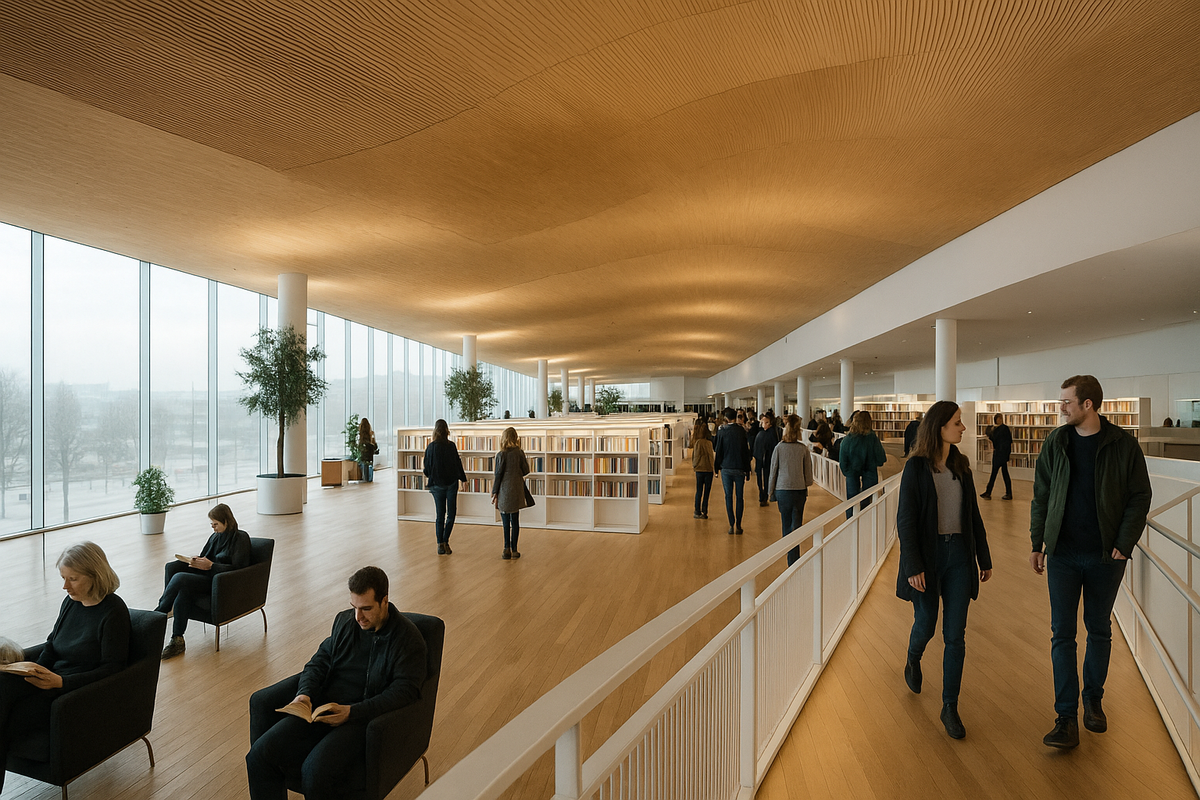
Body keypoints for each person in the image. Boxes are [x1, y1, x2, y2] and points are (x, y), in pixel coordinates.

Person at [1030, 375, 1151, 749]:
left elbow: (1139, 496)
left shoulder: (1123, 445)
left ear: (1088, 405)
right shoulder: (1056, 442)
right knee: (1062, 634)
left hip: (1106, 557)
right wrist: (1038, 541)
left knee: (1098, 629)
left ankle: (1092, 701)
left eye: (1066, 401)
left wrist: (1124, 542)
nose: (1060, 407)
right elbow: (1042, 494)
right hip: (1063, 554)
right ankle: (1065, 717)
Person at [245, 566, 426, 800]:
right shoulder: (345, 622)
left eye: (366, 609)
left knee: (314, 771)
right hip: (321, 709)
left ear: (385, 601)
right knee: (258, 756)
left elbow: (405, 692)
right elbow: (318, 662)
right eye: (354, 608)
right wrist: (305, 694)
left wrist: (351, 712)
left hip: (360, 719)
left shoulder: (407, 639)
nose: (358, 617)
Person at [896, 401, 992, 740]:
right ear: (940, 427)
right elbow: (905, 520)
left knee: (956, 635)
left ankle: (949, 706)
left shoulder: (961, 466)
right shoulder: (917, 468)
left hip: (959, 559)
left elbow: (973, 517)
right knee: (926, 624)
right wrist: (913, 565)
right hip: (928, 556)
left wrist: (984, 556)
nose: (963, 428)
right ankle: (913, 657)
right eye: (957, 422)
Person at [0, 542, 130, 794]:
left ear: (95, 575)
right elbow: (52, 643)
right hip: (47, 679)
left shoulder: (114, 611)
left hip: (68, 690)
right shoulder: (71, 602)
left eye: (73, 579)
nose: (65, 586)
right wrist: (33, 670)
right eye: (63, 578)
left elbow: (113, 669)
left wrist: (60, 682)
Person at [156, 503, 250, 659]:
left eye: (216, 524)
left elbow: (240, 569)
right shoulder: (214, 537)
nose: (213, 528)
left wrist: (212, 565)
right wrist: (196, 561)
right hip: (207, 578)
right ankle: (177, 639)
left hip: (221, 583)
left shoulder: (241, 538)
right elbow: (204, 557)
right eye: (211, 524)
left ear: (226, 521)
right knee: (172, 569)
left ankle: (161, 612)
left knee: (180, 578)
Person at [768, 415, 814, 566]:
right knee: (797, 524)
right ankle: (794, 559)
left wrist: (770, 491)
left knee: (786, 524)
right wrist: (803, 482)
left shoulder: (779, 448)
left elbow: (773, 470)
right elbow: (808, 476)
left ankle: (790, 558)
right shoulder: (803, 449)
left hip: (782, 490)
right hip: (799, 490)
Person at [422, 419, 467, 555]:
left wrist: (431, 475)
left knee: (439, 515)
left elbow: (426, 468)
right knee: (451, 514)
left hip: (436, 485)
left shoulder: (431, 447)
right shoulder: (451, 446)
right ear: (447, 430)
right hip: (451, 484)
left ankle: (440, 544)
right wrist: (463, 479)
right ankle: (445, 540)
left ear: (435, 430)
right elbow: (458, 464)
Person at [491, 426, 531, 559]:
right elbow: (526, 471)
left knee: (505, 522)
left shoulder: (501, 454)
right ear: (515, 438)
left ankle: (505, 549)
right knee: (515, 521)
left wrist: (494, 492)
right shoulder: (519, 453)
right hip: (516, 490)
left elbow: (498, 475)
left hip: (504, 491)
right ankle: (514, 550)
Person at [839, 410, 887, 518]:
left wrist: (848, 472)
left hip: (851, 473)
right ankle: (865, 522)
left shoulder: (848, 440)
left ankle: (851, 522)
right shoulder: (872, 438)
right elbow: (881, 458)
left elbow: (843, 461)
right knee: (868, 498)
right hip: (870, 471)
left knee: (851, 500)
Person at [713, 407, 751, 535]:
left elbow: (719, 451)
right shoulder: (742, 431)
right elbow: (746, 452)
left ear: (726, 419)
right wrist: (748, 470)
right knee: (740, 497)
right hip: (740, 468)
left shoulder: (722, 432)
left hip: (726, 468)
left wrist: (716, 468)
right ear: (736, 418)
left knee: (728, 497)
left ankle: (731, 524)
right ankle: (739, 525)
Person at [980, 413, 1013, 500]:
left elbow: (1007, 442)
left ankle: (989, 492)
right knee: (1002, 474)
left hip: (1000, 454)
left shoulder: (1004, 428)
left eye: (1000, 418)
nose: (1000, 420)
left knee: (995, 473)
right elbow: (993, 439)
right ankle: (1007, 493)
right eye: (998, 418)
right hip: (999, 453)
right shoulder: (996, 428)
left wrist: (1005, 454)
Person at [753, 411, 780, 506]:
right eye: (762, 422)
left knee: (767, 478)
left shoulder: (772, 434)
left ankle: (765, 495)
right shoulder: (762, 433)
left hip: (768, 461)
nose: (764, 424)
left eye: (766, 422)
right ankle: (763, 495)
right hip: (761, 460)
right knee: (761, 478)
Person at [691, 418, 715, 519]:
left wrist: (694, 466)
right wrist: (713, 468)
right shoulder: (709, 443)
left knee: (699, 491)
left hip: (699, 470)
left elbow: (695, 457)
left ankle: (697, 511)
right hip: (708, 470)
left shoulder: (698, 443)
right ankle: (705, 511)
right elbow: (711, 456)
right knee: (707, 492)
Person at [357, 417, 378, 482]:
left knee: (365, 474)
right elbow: (375, 447)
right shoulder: (370, 436)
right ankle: (368, 479)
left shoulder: (360, 436)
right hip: (370, 458)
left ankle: (365, 478)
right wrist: (373, 437)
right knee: (369, 476)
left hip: (363, 457)